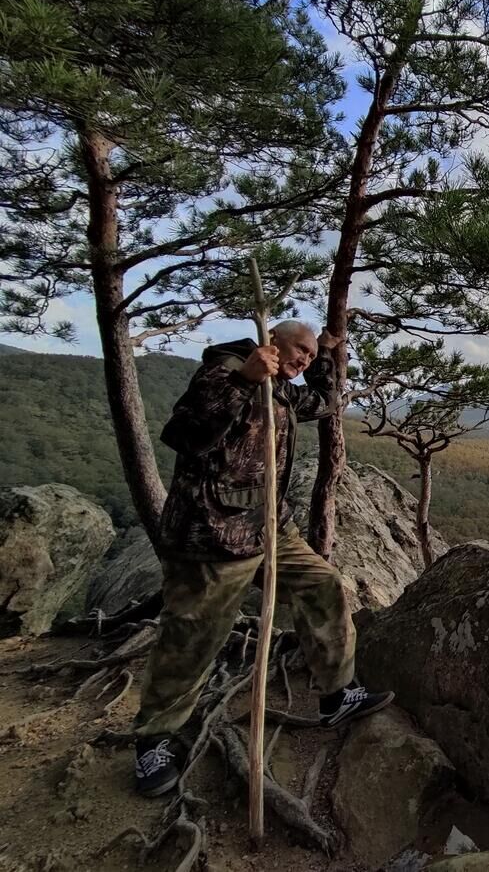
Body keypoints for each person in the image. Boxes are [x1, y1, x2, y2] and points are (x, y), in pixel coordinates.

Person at [131, 320, 393, 797]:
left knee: (323, 585)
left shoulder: (285, 390)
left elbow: (325, 403)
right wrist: (244, 381)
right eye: (300, 349)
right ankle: (154, 741)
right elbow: (184, 433)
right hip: (214, 536)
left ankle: (337, 694)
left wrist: (328, 359)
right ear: (270, 339)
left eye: (310, 356)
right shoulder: (224, 370)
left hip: (270, 528)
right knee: (193, 635)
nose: (304, 359)